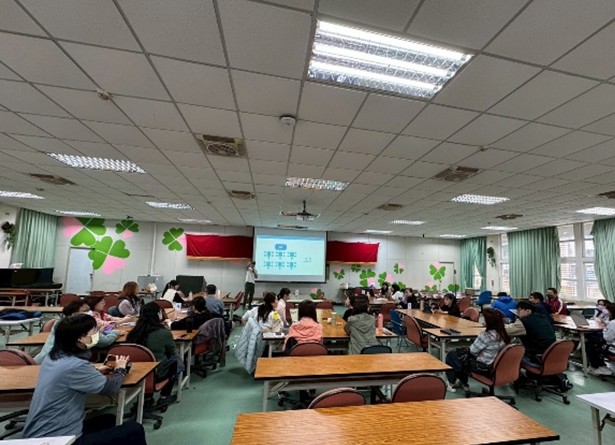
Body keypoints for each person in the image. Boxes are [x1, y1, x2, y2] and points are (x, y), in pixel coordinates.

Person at [23, 314, 146, 444]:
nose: (97, 334)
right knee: (135, 429)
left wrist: (94, 371)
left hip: (42, 431)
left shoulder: (54, 357)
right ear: (80, 338)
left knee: (109, 419)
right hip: (59, 439)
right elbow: (110, 388)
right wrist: (120, 370)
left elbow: (69, 376)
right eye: (94, 331)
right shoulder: (76, 365)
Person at [445, 308, 511, 392]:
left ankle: (451, 382)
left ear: (489, 322)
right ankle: (463, 382)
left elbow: (472, 351)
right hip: (494, 364)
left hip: (482, 366)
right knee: (459, 355)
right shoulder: (503, 334)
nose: (482, 321)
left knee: (453, 355)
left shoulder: (486, 336)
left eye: (484, 319)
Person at [35, 300, 121, 364]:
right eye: (85, 311)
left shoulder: (62, 322)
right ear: (74, 314)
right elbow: (104, 342)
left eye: (89, 310)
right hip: (53, 361)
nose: (90, 312)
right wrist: (116, 332)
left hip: (47, 359)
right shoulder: (79, 326)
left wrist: (98, 331)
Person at [127, 302, 178, 404]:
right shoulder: (164, 333)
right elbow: (173, 352)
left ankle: (147, 398)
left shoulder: (132, 334)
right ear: (158, 314)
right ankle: (164, 397)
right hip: (157, 374)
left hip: (135, 374)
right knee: (175, 361)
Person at [506, 300, 556, 365]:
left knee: (509, 354)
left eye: (519, 310)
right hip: (551, 353)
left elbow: (508, 331)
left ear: (528, 311)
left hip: (536, 357)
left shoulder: (525, 321)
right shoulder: (542, 317)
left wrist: (499, 324)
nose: (517, 313)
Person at [586, 302, 615, 376]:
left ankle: (595, 367)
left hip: (612, 348)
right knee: (595, 339)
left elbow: (608, 339)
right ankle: (601, 365)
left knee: (591, 345)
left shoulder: (613, 323)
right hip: (612, 344)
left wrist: (604, 331)